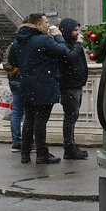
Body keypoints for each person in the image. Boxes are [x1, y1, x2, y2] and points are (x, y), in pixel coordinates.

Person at [13, 13, 68, 164]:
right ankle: (42, 153)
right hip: (44, 85)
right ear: (37, 24)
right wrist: (58, 36)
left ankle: (25, 153)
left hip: (26, 85)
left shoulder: (18, 41)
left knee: (29, 119)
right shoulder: (43, 39)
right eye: (45, 22)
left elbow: (12, 61)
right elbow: (63, 51)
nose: (47, 24)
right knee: (41, 121)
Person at [57, 17, 89, 160]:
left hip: (75, 84)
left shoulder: (71, 43)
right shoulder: (65, 45)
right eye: (75, 30)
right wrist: (78, 45)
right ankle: (69, 147)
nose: (78, 33)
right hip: (69, 86)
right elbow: (71, 58)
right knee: (70, 116)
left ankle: (71, 144)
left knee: (73, 116)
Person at [3, 34, 25, 152]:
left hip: (14, 82)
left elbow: (6, 65)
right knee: (28, 112)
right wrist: (21, 69)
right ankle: (28, 141)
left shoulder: (12, 47)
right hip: (23, 81)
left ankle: (16, 141)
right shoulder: (25, 46)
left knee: (17, 111)